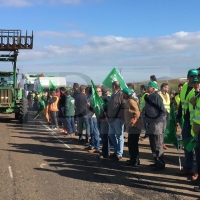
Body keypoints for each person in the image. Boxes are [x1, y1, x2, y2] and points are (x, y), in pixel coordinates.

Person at [176, 69, 199, 176]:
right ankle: (188, 167)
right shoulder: (185, 86)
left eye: (196, 77)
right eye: (191, 77)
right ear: (188, 77)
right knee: (188, 146)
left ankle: (198, 171)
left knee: (197, 148)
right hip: (186, 122)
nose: (194, 79)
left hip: (196, 123)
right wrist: (178, 116)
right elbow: (182, 103)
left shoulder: (198, 89)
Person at [144, 81, 166, 171]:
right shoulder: (149, 96)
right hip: (150, 124)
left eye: (148, 87)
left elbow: (163, 111)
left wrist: (157, 121)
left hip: (156, 124)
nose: (147, 88)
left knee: (157, 144)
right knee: (152, 144)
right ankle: (156, 161)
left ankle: (160, 164)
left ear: (153, 88)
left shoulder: (156, 97)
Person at [123, 87, 143, 166]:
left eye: (123, 94)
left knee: (133, 144)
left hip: (134, 126)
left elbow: (137, 113)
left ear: (125, 94)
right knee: (131, 143)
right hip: (132, 126)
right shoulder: (128, 101)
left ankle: (135, 160)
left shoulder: (131, 101)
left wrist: (132, 123)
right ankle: (133, 158)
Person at [107, 81, 125, 161]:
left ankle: (119, 153)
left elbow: (123, 106)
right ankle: (116, 151)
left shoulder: (121, 94)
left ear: (114, 86)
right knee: (112, 135)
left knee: (119, 136)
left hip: (118, 119)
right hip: (111, 118)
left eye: (112, 86)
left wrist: (119, 116)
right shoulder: (113, 95)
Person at [86, 87, 100, 153]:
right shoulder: (90, 97)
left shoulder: (92, 98)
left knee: (94, 132)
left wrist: (89, 106)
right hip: (90, 116)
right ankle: (92, 145)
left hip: (93, 116)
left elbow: (95, 108)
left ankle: (97, 147)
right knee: (93, 132)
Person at [98, 86, 110, 158]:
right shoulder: (105, 99)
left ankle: (106, 152)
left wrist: (106, 112)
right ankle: (105, 150)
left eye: (99, 91)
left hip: (104, 119)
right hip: (101, 118)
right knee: (103, 136)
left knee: (104, 136)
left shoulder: (105, 99)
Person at [158, 83, 170, 150]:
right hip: (161, 115)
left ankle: (163, 143)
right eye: (166, 87)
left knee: (164, 130)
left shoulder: (168, 95)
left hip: (167, 115)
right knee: (160, 130)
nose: (168, 89)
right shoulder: (159, 95)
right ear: (163, 88)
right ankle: (160, 143)